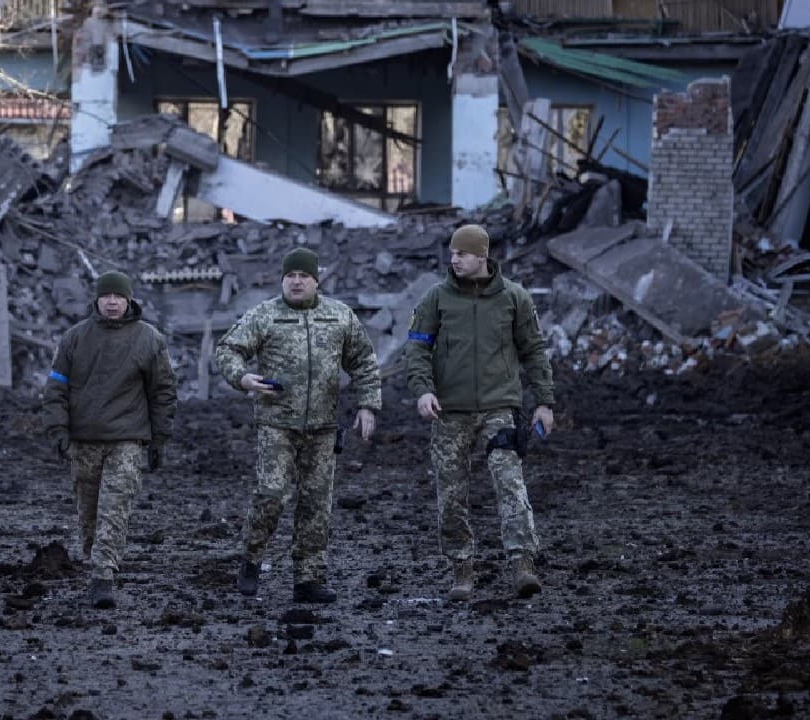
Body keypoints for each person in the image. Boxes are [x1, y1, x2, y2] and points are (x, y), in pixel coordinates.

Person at [215, 247, 381, 604]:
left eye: (303, 275)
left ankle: (308, 577)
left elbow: (364, 361)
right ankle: (252, 558)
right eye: (290, 275)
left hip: (322, 427)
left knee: (316, 503)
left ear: (315, 281)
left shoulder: (339, 316)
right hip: (277, 423)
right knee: (272, 493)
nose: (296, 281)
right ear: (282, 279)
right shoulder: (264, 315)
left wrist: (368, 405)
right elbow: (228, 349)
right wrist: (241, 377)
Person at [404, 224, 555, 602]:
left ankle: (522, 564)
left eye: (462, 254)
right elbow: (417, 350)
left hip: (499, 409)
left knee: (510, 483)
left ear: (482, 256)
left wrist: (544, 402)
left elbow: (534, 351)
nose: (454, 260)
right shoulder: (435, 299)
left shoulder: (514, 299)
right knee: (452, 494)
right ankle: (462, 569)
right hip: (448, 413)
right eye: (452, 254)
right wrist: (422, 391)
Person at [42, 271, 176, 610]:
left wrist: (159, 438)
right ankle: (95, 558)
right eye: (107, 296)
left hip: (127, 439)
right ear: (97, 300)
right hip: (84, 440)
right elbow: (56, 387)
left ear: (129, 299)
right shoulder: (75, 339)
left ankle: (103, 576)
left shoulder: (149, 340)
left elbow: (163, 391)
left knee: (114, 508)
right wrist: (58, 430)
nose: (113, 302)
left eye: (119, 296)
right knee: (88, 511)